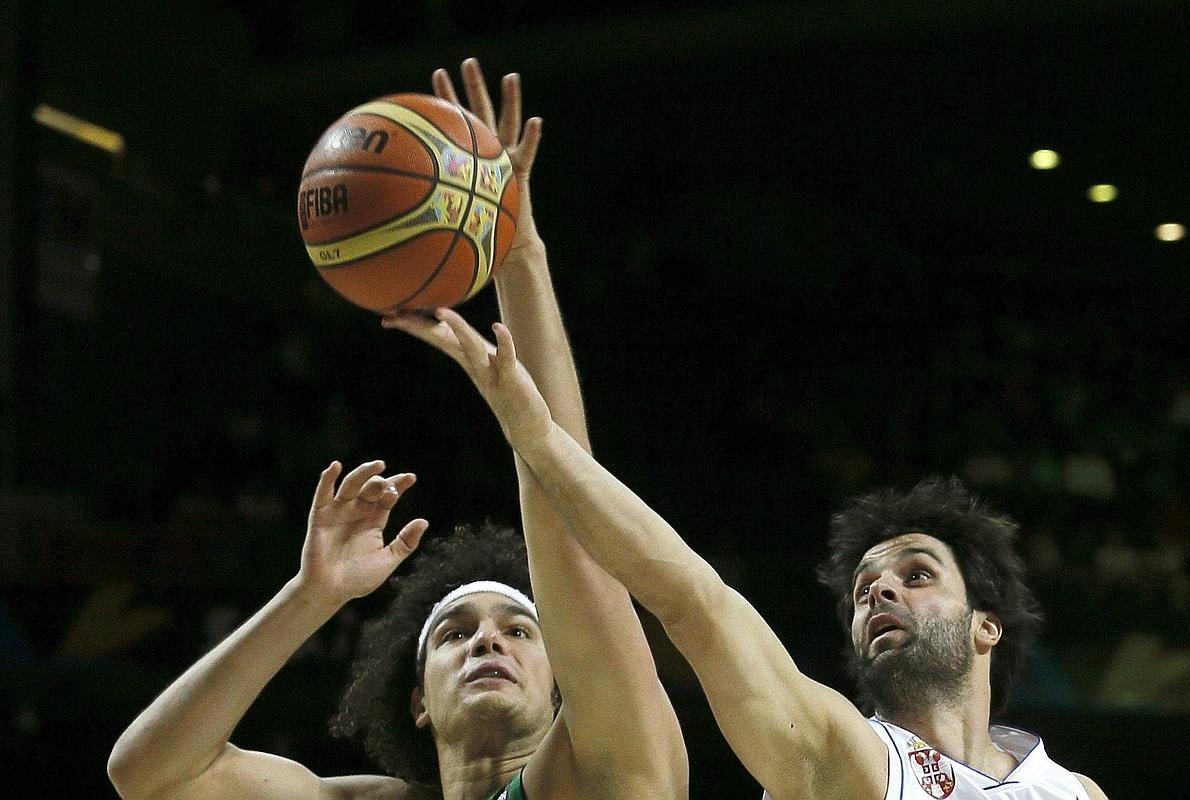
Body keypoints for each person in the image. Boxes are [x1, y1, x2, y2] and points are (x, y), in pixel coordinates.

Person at [107, 60, 687, 800]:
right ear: (417, 701)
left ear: (564, 689)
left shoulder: (611, 773)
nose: (487, 640)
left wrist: (514, 246)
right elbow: (148, 775)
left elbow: (573, 526)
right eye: (454, 634)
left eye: (518, 630)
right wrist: (310, 597)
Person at [394, 307, 1112, 800]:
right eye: (863, 589)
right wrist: (541, 441)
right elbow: (694, 603)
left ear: (987, 625)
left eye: (915, 575)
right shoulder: (845, 754)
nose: (879, 594)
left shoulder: (1071, 789)